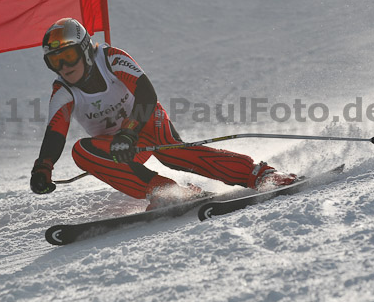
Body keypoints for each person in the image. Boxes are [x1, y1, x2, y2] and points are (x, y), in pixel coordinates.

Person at [30, 18, 296, 209]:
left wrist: (129, 131)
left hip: (144, 122)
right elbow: (56, 131)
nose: (64, 66)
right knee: (81, 151)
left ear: (86, 50)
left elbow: (146, 93)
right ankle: (168, 192)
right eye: (55, 61)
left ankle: (260, 174)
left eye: (70, 56)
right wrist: (44, 167)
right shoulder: (63, 90)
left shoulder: (110, 58)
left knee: (171, 153)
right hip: (117, 146)